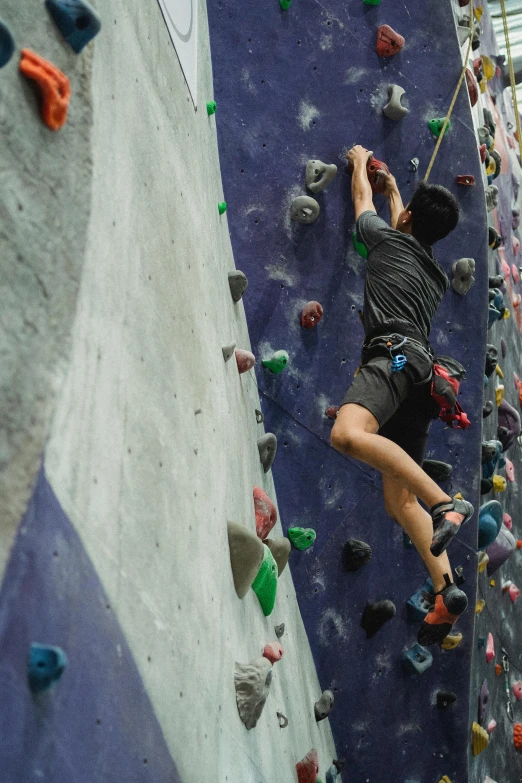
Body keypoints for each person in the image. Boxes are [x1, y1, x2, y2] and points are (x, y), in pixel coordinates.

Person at [331, 145, 473, 646]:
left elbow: (360, 202)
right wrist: (398, 194)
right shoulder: (432, 276)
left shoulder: (386, 241)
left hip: (392, 359)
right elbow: (404, 236)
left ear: (407, 219)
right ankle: (445, 590)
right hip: (419, 376)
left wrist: (357, 163)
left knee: (347, 434)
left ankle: (445, 504)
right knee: (398, 500)